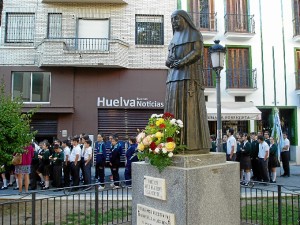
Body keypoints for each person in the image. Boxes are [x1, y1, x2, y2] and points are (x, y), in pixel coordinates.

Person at [164, 9, 210, 152]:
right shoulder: (174, 38)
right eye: (172, 20)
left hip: (189, 76)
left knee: (189, 109)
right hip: (173, 78)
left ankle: (192, 145)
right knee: (172, 109)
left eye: (176, 19)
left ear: (185, 19)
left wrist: (182, 62)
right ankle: (172, 144)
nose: (174, 22)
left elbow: (196, 52)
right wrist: (169, 61)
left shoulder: (195, 34)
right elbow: (169, 59)